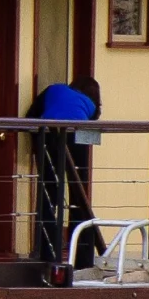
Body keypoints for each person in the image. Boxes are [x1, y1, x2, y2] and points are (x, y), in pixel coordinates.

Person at [27, 77, 105, 271]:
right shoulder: (92, 106)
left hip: (50, 135)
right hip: (78, 137)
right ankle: (82, 257)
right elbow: (90, 129)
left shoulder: (53, 89)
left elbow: (31, 117)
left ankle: (48, 254)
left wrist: (36, 144)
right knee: (79, 198)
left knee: (49, 194)